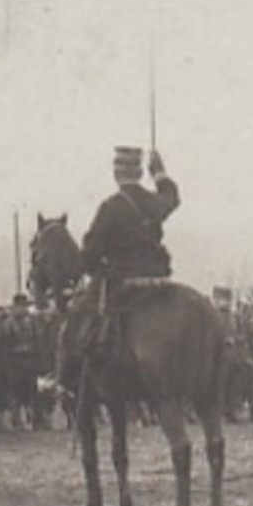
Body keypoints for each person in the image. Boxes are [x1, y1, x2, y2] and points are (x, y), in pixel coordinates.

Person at [77, 145, 182, 359]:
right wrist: (160, 173)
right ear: (141, 173)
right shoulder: (155, 202)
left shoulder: (111, 207)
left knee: (79, 319)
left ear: (116, 174)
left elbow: (90, 252)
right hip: (159, 278)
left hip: (122, 282)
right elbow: (172, 199)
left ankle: (66, 380)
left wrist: (93, 266)